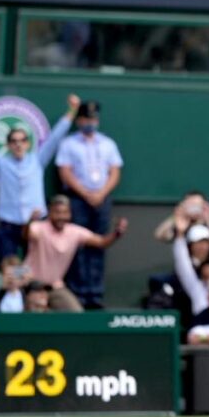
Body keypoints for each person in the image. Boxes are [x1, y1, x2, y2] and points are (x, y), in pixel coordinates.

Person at [0, 95, 76, 259]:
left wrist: (72, 111)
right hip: (9, 226)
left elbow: (55, 137)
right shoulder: (1, 163)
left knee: (35, 268)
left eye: (22, 140)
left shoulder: (38, 160)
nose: (18, 144)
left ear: (28, 143)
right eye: (13, 141)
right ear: (8, 145)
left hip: (36, 223)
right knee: (10, 268)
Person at [56, 101, 124, 310]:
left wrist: (101, 193)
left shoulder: (107, 143)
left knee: (100, 244)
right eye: (86, 119)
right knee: (78, 246)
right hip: (78, 199)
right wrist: (85, 193)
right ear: (79, 121)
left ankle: (95, 294)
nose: (90, 123)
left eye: (93, 119)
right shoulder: (69, 144)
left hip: (101, 200)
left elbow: (115, 171)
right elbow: (65, 171)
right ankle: (79, 293)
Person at [22, 196, 127, 312]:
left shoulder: (74, 232)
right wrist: (30, 221)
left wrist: (117, 233)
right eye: (57, 212)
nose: (61, 217)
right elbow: (26, 235)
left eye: (65, 213)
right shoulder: (39, 227)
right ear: (50, 212)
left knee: (77, 314)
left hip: (55, 286)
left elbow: (101, 242)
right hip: (30, 283)